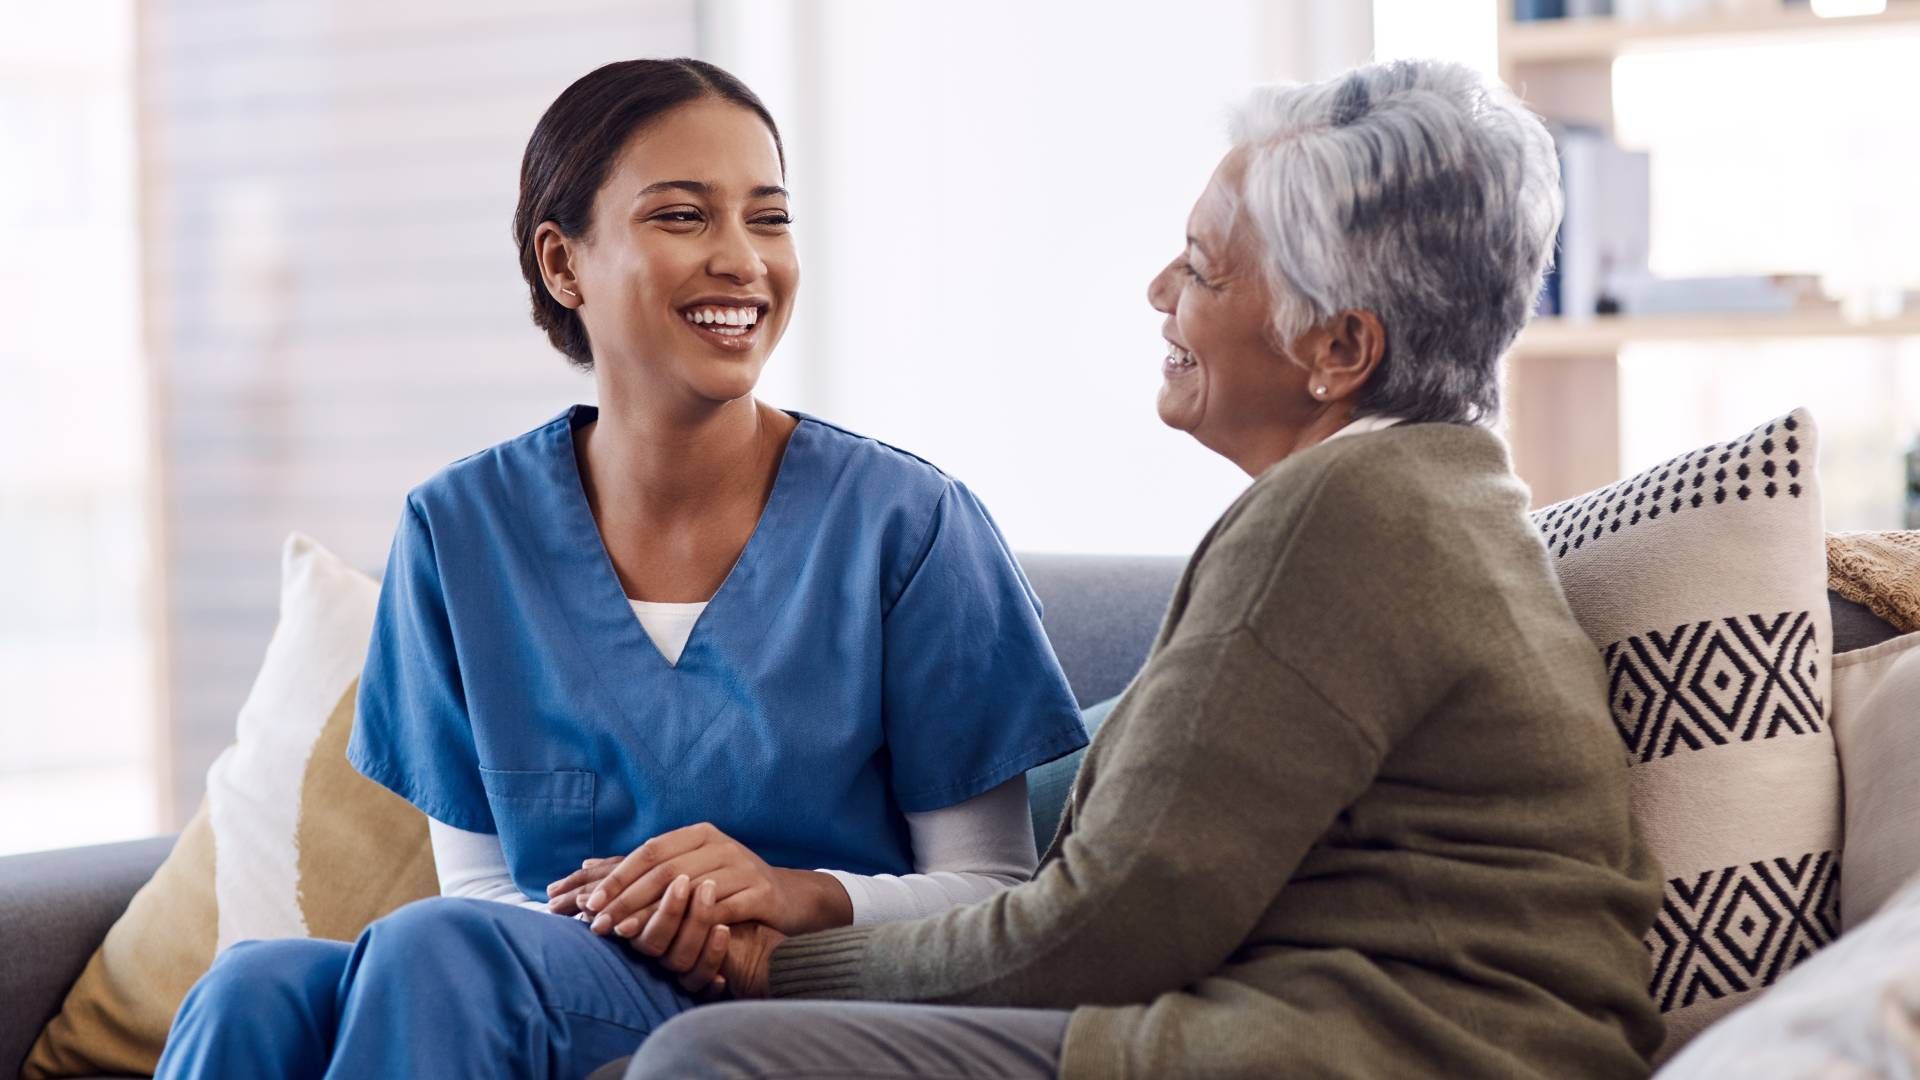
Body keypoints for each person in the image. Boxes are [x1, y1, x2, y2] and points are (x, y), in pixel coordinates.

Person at [620, 59, 1666, 1079]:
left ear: (1339, 349)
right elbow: (1140, 789)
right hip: (1392, 1032)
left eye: (1204, 268)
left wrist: (778, 964)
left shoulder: (1342, 520)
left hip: (1388, 1046)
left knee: (717, 1057)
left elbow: (1101, 932)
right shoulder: (1435, 495)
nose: (1159, 289)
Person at [154, 58, 1086, 1080]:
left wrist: (786, 892)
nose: (742, 260)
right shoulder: (460, 531)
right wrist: (637, 923)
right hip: (539, 978)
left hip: (790, 993)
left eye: (767, 219)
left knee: (437, 950)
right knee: (251, 987)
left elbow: (995, 892)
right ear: (563, 265)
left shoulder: (910, 527)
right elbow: (483, 890)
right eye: (684, 217)